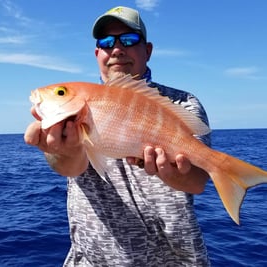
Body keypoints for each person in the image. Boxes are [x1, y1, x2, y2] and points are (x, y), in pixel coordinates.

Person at [24, 6, 211, 266]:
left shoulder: (182, 103)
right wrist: (62, 152)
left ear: (148, 50)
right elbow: (71, 168)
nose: (117, 49)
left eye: (129, 40)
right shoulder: (76, 113)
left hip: (172, 260)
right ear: (97, 52)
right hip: (91, 260)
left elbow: (198, 181)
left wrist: (173, 173)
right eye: (107, 42)